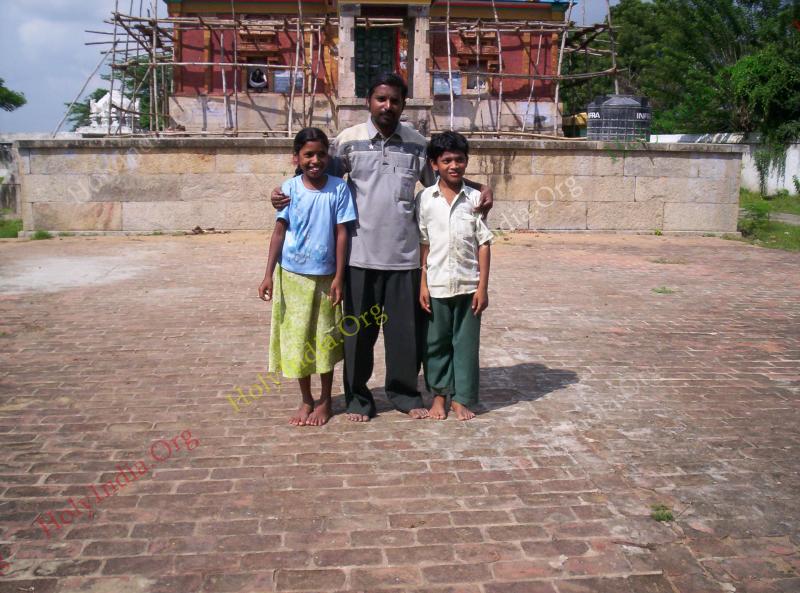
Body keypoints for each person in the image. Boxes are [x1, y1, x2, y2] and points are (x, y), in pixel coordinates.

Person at [271, 72, 494, 422]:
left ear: (403, 104)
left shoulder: (418, 144)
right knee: (356, 336)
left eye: (394, 100)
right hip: (359, 257)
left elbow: (444, 178)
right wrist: (280, 194)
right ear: (369, 102)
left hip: (405, 258)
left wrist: (482, 186)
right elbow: (316, 178)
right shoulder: (347, 141)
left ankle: (404, 395)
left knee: (404, 337)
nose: (387, 106)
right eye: (381, 99)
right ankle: (358, 399)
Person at [258, 127, 356, 426]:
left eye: (321, 154)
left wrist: (339, 276)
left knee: (324, 340)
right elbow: (278, 232)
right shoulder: (289, 189)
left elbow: (342, 234)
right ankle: (305, 399)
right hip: (292, 276)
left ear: (330, 156)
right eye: (308, 155)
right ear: (296, 158)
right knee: (298, 339)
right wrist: (268, 275)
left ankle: (326, 401)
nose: (315, 160)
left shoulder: (339, 188)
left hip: (326, 277)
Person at [418, 131, 493, 421]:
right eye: (446, 160)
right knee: (435, 344)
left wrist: (482, 287)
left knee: (465, 345)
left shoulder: (475, 199)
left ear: (467, 162)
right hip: (436, 286)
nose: (454, 166)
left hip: (468, 285)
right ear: (434, 164)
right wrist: (422, 284)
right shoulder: (425, 199)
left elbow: (483, 244)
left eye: (459, 160)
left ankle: (462, 398)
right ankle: (439, 396)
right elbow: (423, 244)